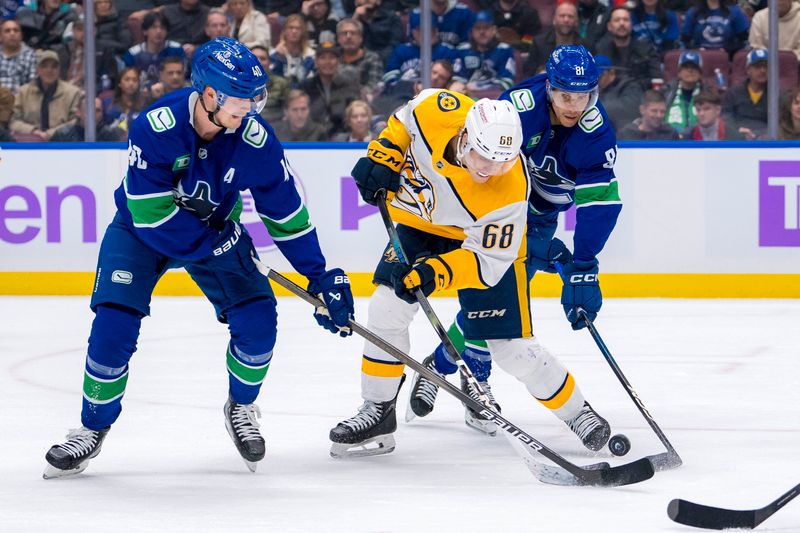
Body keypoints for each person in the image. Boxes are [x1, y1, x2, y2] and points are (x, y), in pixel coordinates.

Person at [43, 37, 354, 479]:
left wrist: (319, 275)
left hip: (215, 234)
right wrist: (218, 245)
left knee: (259, 321)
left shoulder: (254, 139)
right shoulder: (156, 126)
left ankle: (241, 407)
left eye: (254, 97)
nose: (250, 107)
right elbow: (151, 216)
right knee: (112, 326)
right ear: (209, 95)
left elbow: (284, 210)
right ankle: (91, 428)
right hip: (141, 233)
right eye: (240, 99)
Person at [405, 46, 619, 450]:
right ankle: (470, 375)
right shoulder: (520, 107)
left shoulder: (596, 133)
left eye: (585, 96)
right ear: (549, 88)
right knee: (497, 302)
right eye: (565, 96)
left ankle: (441, 363)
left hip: (540, 217)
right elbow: (479, 158)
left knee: (498, 306)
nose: (575, 106)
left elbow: (599, 204)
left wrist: (585, 263)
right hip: (498, 209)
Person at [328, 92, 535, 458]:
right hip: (420, 225)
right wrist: (386, 153)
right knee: (385, 310)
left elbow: (488, 259)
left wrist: (439, 272)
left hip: (472, 235)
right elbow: (405, 120)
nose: (491, 167)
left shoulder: (508, 182)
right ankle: (378, 410)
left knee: (488, 318)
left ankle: (471, 377)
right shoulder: (440, 108)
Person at [10, 50, 82, 141]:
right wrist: (33, 131)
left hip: (63, 142)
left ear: (59, 70)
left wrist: (50, 133)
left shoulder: (73, 92)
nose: (49, 70)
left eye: (54, 67)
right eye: (44, 66)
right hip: (30, 142)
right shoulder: (23, 92)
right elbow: (13, 121)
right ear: (38, 70)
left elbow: (76, 121)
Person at [594, 7, 662, 91]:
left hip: (641, 95)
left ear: (631, 25)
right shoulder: (601, 49)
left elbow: (656, 79)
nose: (622, 23)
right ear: (609, 26)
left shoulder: (646, 49)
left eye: (626, 20)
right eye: (617, 20)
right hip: (610, 98)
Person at [452, 10, 516, 97]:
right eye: (478, 28)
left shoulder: (504, 50)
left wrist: (479, 86)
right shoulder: (463, 50)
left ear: (493, 30)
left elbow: (507, 82)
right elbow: (458, 79)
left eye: (486, 28)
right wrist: (458, 85)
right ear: (472, 31)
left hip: (496, 99)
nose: (482, 32)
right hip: (468, 98)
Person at [123, 11, 186, 88]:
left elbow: (184, 76)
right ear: (145, 31)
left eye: (162, 28)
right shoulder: (132, 54)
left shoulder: (177, 49)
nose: (158, 31)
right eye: (154, 27)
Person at [522, 2, 584, 78]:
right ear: (554, 20)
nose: (566, 20)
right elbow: (528, 74)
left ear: (576, 22)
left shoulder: (585, 46)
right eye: (562, 16)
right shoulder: (539, 43)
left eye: (570, 16)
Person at [722, 48, 768, 139]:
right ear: (748, 70)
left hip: (766, 142)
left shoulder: (778, 95)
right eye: (757, 66)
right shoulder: (733, 93)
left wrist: (759, 134)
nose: (763, 70)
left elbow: (781, 123)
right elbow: (726, 118)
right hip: (737, 141)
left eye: (766, 66)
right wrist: (737, 132)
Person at [661, 50, 708, 137]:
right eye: (686, 67)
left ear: (700, 73)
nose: (690, 70)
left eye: (694, 67)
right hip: (669, 140)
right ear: (679, 72)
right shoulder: (666, 91)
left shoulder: (708, 93)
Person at [680, 0, 750, 55]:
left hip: (727, 58)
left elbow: (744, 41)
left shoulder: (735, 11)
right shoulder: (693, 12)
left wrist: (728, 49)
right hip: (699, 58)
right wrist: (696, 49)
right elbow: (684, 41)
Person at [595, 54, 643, 131]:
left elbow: (630, 105)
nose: (596, 80)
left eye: (599, 76)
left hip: (624, 133)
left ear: (612, 73)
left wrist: (596, 108)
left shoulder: (629, 86)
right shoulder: (594, 89)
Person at [50, 95, 126, 142]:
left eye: (98, 110)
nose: (93, 114)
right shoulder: (62, 135)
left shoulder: (109, 135)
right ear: (78, 112)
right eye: (89, 110)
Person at [269, 13, 316, 87]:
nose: (294, 31)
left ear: (303, 32)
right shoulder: (274, 54)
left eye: (298, 28)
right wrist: (280, 59)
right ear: (284, 31)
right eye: (291, 28)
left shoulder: (311, 55)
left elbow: (311, 81)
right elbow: (273, 79)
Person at [102, 66, 146, 135]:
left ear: (139, 84)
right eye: (127, 79)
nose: (131, 83)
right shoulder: (107, 104)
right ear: (119, 83)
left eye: (135, 80)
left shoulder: (145, 105)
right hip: (111, 144)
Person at [0, 19, 37, 93]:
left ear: (21, 35)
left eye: (16, 30)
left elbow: (33, 86)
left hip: (20, 101)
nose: (12, 33)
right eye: (7, 31)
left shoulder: (31, 55)